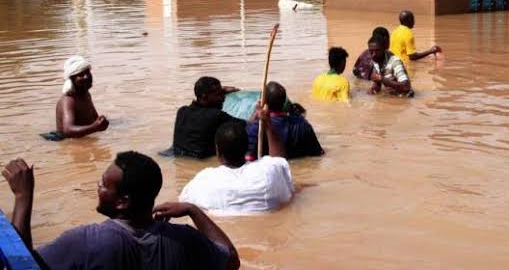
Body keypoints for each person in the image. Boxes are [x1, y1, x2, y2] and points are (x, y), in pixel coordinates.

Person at [2, 152, 240, 270]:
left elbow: (20, 267)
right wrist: (193, 210)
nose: (98, 186)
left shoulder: (85, 242)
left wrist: (23, 198)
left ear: (122, 202)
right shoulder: (185, 239)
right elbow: (231, 260)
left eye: (104, 184)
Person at [179, 112, 293, 215]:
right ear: (247, 148)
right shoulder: (267, 172)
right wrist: (268, 124)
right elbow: (280, 162)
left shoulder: (203, 179)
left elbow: (184, 202)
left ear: (217, 151)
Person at [246, 82, 324, 161]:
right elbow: (318, 154)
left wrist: (253, 118)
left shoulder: (258, 127)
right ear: (284, 102)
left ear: (264, 103)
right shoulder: (302, 123)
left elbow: (249, 158)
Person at [171, 77, 242, 159]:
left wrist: (220, 92)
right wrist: (256, 114)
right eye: (218, 94)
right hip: (201, 160)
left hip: (175, 155)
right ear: (204, 96)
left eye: (222, 93)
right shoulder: (216, 115)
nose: (223, 98)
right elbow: (245, 126)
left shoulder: (182, 111)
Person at [55, 55, 109, 138]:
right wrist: (94, 127)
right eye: (80, 74)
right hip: (69, 143)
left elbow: (95, 119)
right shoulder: (68, 100)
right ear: (72, 79)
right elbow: (68, 130)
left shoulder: (86, 94)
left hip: (85, 139)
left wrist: (101, 122)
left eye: (88, 72)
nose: (86, 77)